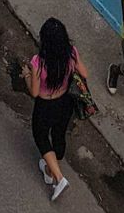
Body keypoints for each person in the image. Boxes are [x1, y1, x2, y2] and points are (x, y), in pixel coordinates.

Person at [23, 18, 86, 202]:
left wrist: (27, 75)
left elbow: (34, 92)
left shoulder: (38, 62)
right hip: (65, 103)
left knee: (41, 136)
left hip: (45, 106)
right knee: (58, 135)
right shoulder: (71, 53)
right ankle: (49, 171)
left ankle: (59, 178)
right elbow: (85, 73)